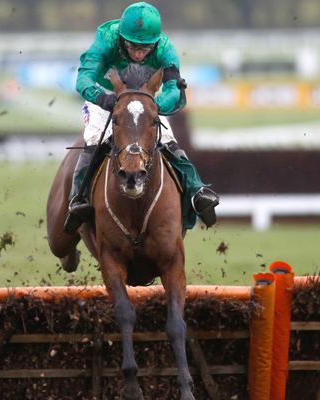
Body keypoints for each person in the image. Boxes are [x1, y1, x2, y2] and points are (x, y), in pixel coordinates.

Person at [64, 2, 219, 233]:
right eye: (133, 46)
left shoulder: (165, 48)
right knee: (95, 135)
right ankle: (78, 198)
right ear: (121, 39)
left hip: (144, 101)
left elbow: (174, 88)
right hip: (105, 96)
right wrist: (102, 98)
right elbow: (84, 78)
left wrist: (154, 106)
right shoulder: (106, 38)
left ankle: (197, 191)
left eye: (145, 48)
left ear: (155, 43)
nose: (138, 54)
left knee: (167, 138)